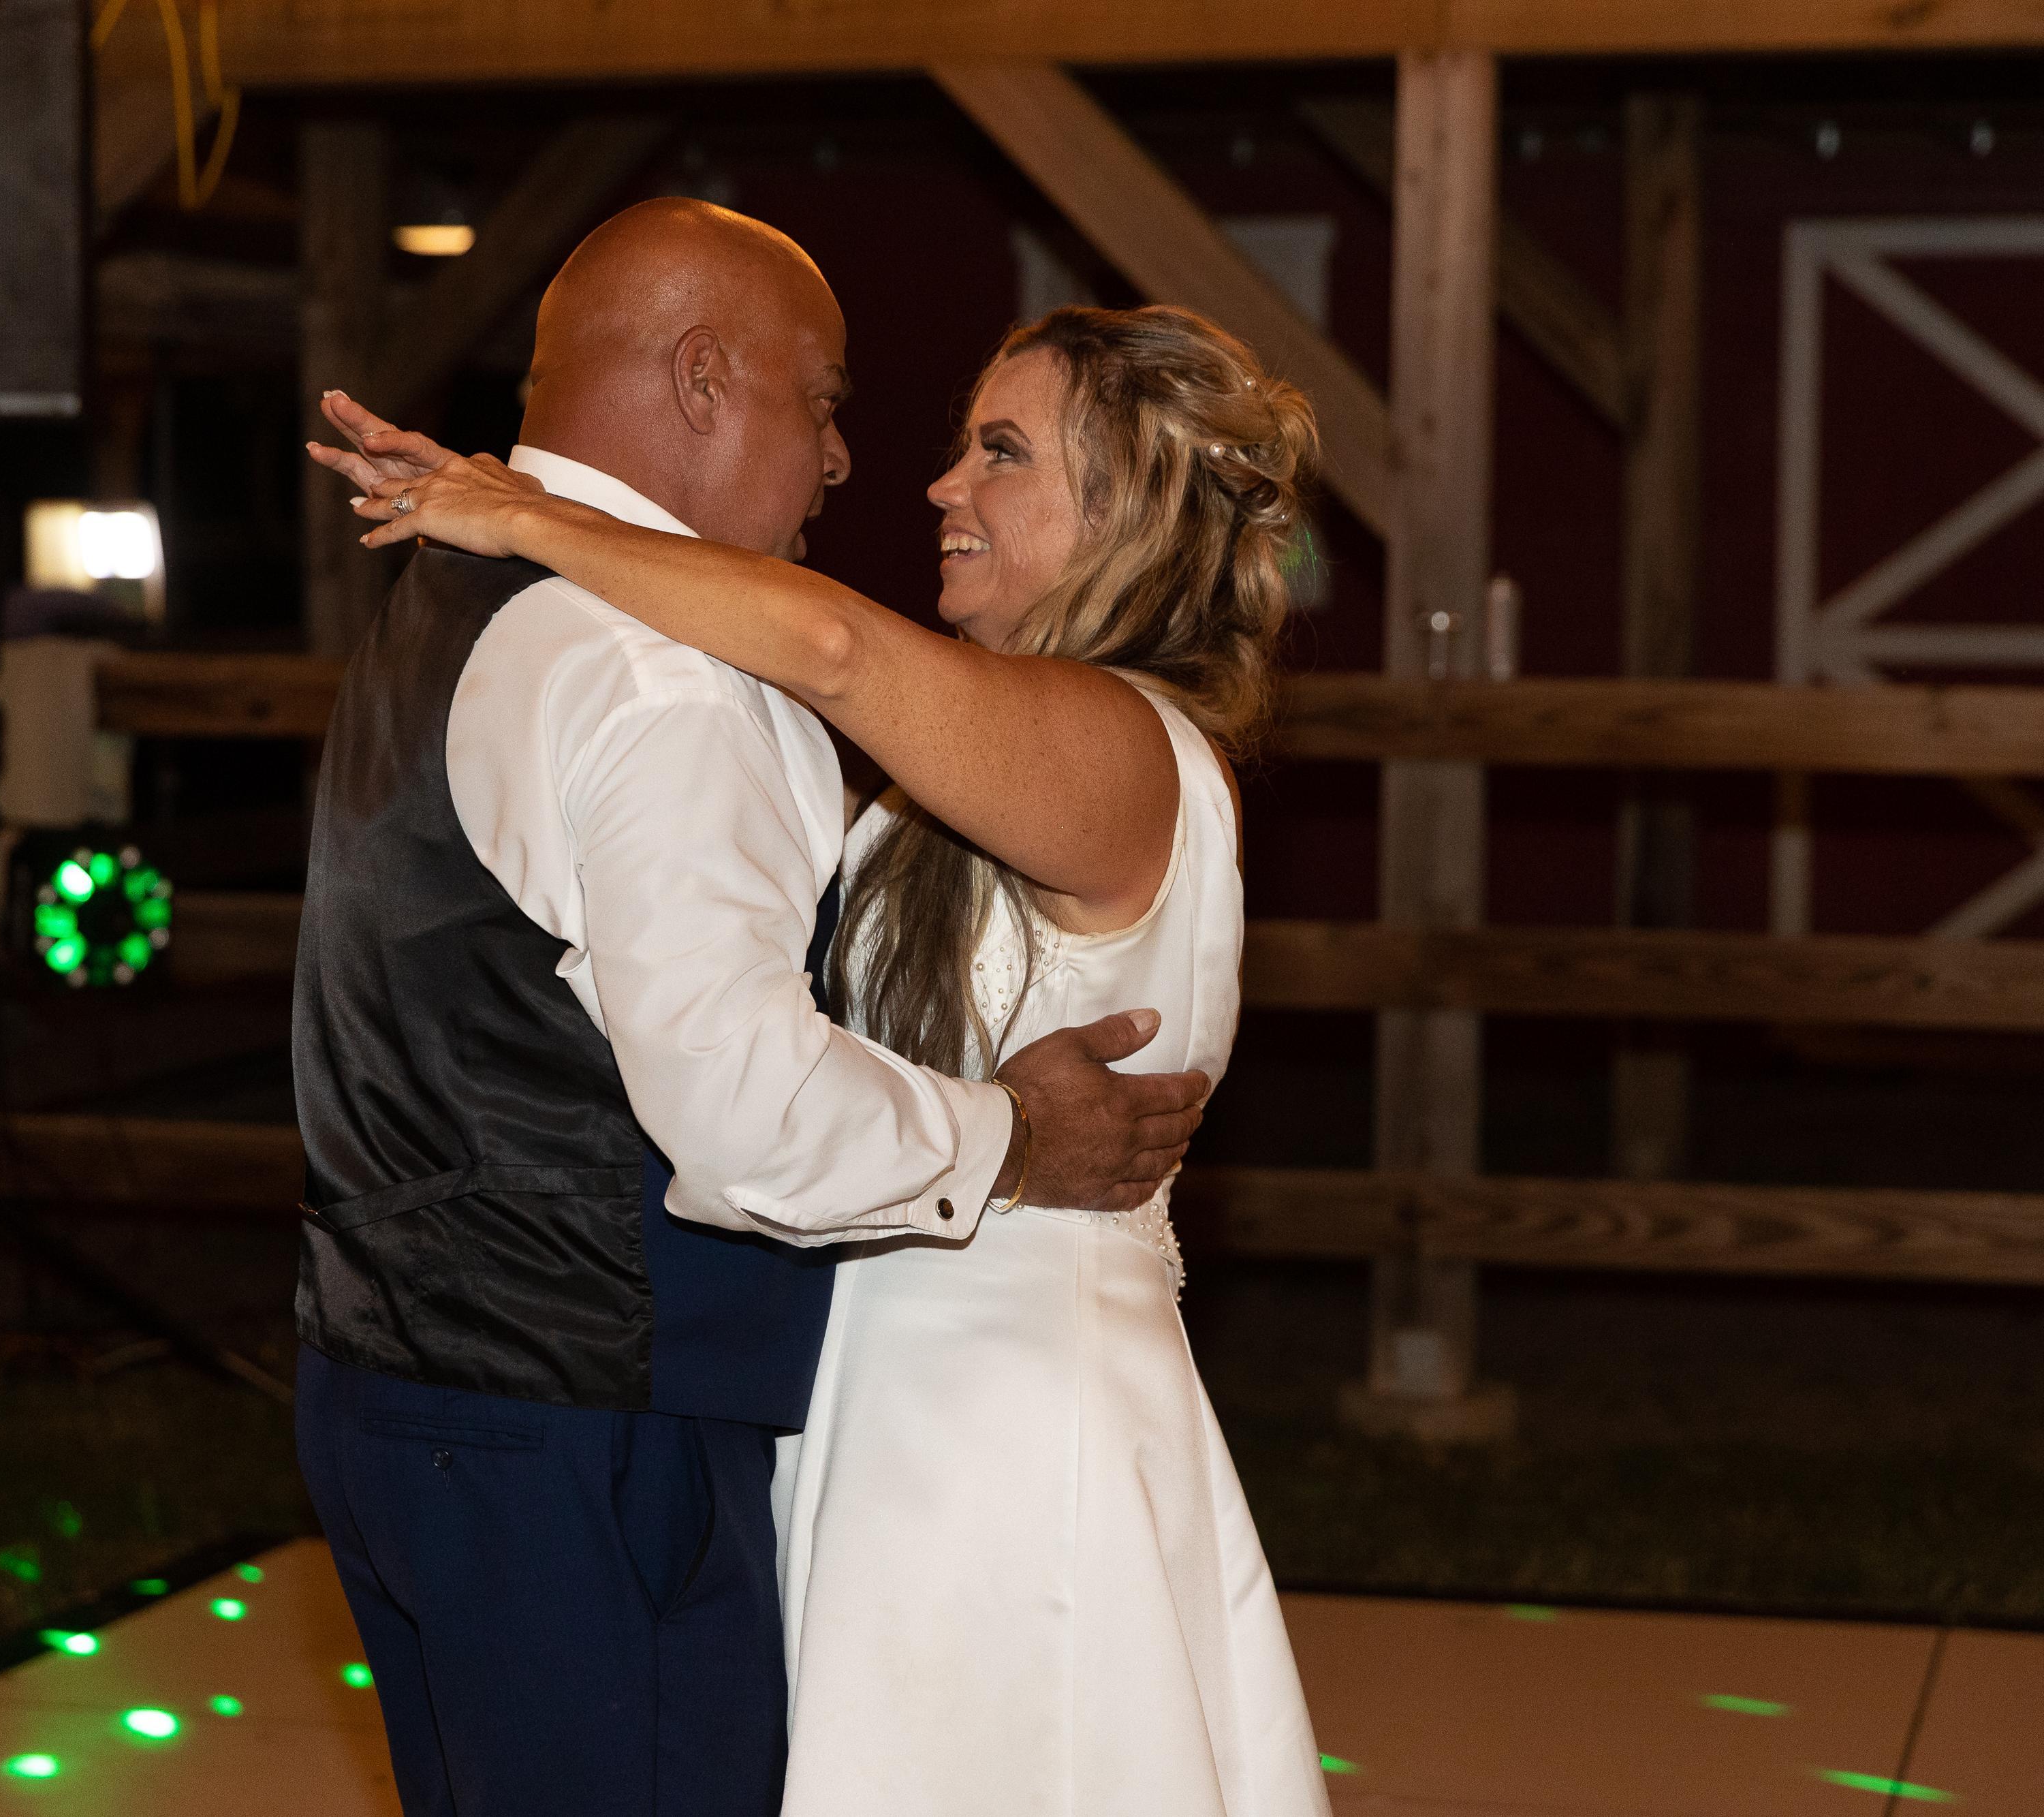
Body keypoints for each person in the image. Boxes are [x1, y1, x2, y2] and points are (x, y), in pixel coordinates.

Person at [318, 296, 1334, 1815]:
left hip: (1007, 1414)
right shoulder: (960, 771)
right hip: (872, 1389)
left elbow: (835, 648)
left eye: (1003, 452)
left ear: (1131, 507)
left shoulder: (1129, 748)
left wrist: (525, 513)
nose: (938, 483)